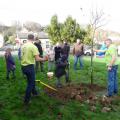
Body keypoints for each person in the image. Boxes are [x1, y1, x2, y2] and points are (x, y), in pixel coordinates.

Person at [21, 34, 48, 105]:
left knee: (31, 81)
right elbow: (37, 59)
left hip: (23, 67)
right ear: (33, 39)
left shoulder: (23, 46)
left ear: (27, 38)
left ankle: (35, 93)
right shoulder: (33, 47)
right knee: (30, 83)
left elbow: (21, 56)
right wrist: (44, 59)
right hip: (29, 67)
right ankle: (26, 100)